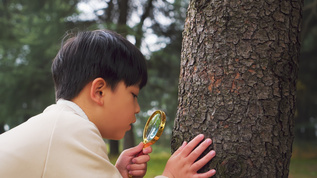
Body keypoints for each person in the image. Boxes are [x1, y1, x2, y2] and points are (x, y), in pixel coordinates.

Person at [0, 29, 216, 178]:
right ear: (99, 91)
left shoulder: (57, 125)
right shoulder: (73, 130)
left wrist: (113, 173)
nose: (138, 108)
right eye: (133, 94)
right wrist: (170, 176)